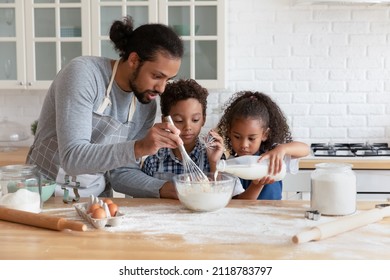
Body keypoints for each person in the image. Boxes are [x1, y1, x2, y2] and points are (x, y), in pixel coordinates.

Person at [26, 16, 184, 199]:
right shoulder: (84, 74)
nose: (161, 88)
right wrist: (139, 147)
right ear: (134, 60)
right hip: (43, 194)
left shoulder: (145, 105)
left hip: (95, 200)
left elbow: (120, 173)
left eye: (168, 79)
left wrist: (164, 188)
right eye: (157, 76)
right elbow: (72, 158)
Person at [141, 79, 245, 196]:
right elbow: (141, 199)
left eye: (195, 120)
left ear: (203, 120)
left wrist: (214, 163)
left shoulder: (212, 156)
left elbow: (227, 196)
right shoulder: (153, 159)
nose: (188, 127)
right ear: (165, 121)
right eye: (179, 120)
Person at [217, 91, 310, 200]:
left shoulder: (273, 155)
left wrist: (282, 149)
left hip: (274, 214)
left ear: (265, 135)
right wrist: (256, 185)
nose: (244, 145)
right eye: (237, 137)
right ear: (229, 132)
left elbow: (305, 149)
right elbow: (240, 203)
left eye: (251, 138)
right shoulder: (230, 167)